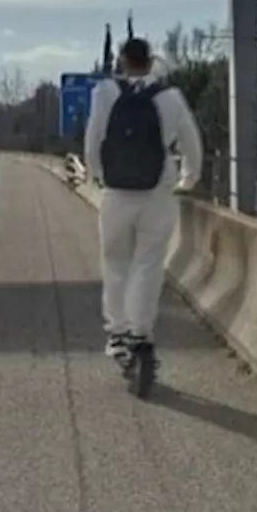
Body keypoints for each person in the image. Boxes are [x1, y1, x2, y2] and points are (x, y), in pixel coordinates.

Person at [83, 37, 203, 366]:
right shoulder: (172, 97)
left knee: (116, 262)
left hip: (116, 192)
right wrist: (187, 179)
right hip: (158, 192)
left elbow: (93, 139)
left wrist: (95, 175)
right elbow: (192, 144)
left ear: (122, 61)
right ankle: (141, 332)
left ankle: (117, 333)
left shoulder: (105, 93)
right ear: (151, 62)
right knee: (149, 263)